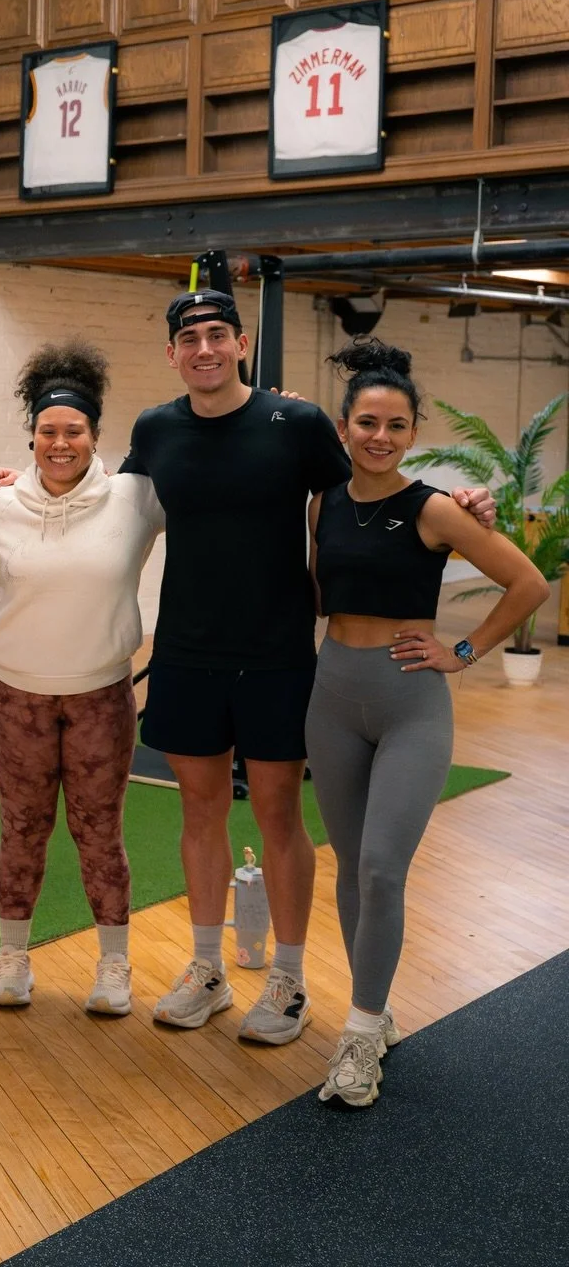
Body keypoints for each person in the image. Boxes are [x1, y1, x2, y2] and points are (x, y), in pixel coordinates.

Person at [120, 289, 495, 1044]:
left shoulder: (295, 423)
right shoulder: (154, 428)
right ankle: (206, 969)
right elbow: (110, 505)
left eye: (218, 335)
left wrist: (462, 507)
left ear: (241, 342)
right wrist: (18, 489)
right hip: (189, 650)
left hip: (279, 652)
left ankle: (287, 982)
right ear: (171, 353)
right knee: (199, 814)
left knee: (279, 814)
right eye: (188, 339)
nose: (204, 349)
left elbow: (371, 485)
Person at [306, 341, 547, 1106]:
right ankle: (373, 1013)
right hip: (333, 694)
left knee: (381, 866)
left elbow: (528, 581)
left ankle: (358, 1034)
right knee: (349, 866)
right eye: (367, 421)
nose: (381, 435)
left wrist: (465, 650)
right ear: (344, 427)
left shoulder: (435, 508)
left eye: (397, 425)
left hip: (411, 699)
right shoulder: (324, 503)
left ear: (413, 435)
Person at [0, 343, 163, 1013]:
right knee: (21, 828)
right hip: (16, 696)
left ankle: (113, 968)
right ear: (32, 436)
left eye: (73, 430)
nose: (60, 442)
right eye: (48, 431)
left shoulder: (137, 498)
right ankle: (13, 960)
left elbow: (220, 500)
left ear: (95, 435)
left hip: (101, 697)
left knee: (100, 832)